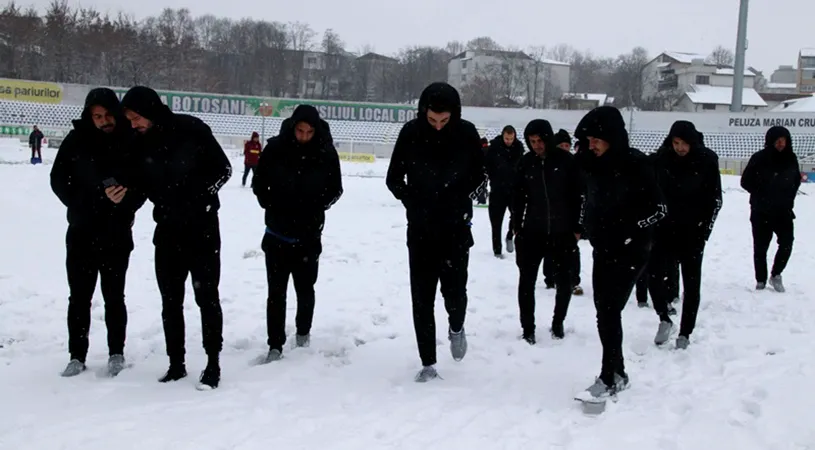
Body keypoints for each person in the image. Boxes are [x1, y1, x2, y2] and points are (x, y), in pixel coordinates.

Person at [121, 86, 232, 390]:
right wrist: (124, 195)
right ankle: (176, 363)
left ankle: (213, 362)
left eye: (136, 118)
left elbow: (224, 169)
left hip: (203, 230)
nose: (134, 124)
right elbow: (139, 184)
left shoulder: (191, 129)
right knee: (170, 302)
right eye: (129, 120)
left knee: (206, 298)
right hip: (167, 232)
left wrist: (200, 198)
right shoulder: (139, 143)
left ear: (151, 110)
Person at [386, 82, 486, 382]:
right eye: (432, 120)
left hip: (455, 228)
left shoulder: (467, 133)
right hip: (421, 230)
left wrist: (458, 197)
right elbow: (393, 178)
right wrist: (412, 200)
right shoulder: (411, 134)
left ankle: (457, 326)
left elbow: (479, 174)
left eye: (444, 121)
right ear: (423, 113)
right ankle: (427, 361)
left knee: (455, 293)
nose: (438, 127)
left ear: (454, 115)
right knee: (422, 297)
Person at [50, 88, 147, 378]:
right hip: (81, 230)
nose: (103, 121)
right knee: (79, 296)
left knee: (114, 295)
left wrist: (126, 199)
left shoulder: (130, 141)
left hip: (116, 232)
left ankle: (116, 352)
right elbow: (58, 179)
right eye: (97, 116)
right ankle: (76, 355)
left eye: (107, 115)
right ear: (88, 116)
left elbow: (143, 183)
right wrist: (86, 200)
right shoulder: (76, 140)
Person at [573, 106, 666, 401]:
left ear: (611, 137)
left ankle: (608, 377)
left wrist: (629, 229)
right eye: (588, 141)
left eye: (596, 140)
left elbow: (659, 209)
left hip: (632, 249)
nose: (592, 146)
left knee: (610, 310)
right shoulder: (591, 162)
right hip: (603, 247)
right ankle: (619, 373)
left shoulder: (636, 164)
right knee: (604, 312)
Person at [252, 105, 343, 363]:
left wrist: (315, 207)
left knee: (305, 289)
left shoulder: (326, 152)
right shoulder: (275, 149)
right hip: (277, 234)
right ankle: (275, 344)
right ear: (293, 127)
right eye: (300, 131)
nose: (304, 136)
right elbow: (259, 184)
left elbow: (336, 189)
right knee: (276, 292)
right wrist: (271, 203)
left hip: (308, 236)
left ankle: (303, 332)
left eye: (309, 132)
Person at [648, 121, 722, 349]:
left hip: (693, 231)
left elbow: (716, 200)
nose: (680, 148)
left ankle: (685, 333)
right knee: (653, 275)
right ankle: (664, 318)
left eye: (684, 143)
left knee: (691, 284)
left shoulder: (707, 160)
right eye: (676, 143)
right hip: (664, 229)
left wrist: (704, 231)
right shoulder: (661, 160)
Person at [511, 120, 583, 344]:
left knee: (564, 282)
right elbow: (518, 197)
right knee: (526, 282)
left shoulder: (566, 162)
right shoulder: (525, 163)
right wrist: (517, 226)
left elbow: (579, 196)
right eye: (532, 142)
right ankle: (528, 327)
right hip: (533, 231)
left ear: (548, 139)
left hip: (562, 232)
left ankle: (558, 322)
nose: (537, 146)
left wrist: (578, 228)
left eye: (540, 141)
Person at [740, 126, 801, 292]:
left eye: (784, 140)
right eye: (778, 140)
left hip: (784, 211)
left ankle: (776, 274)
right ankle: (760, 279)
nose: (781, 144)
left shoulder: (791, 158)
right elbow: (745, 181)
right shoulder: (759, 158)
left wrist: (788, 198)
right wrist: (762, 193)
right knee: (760, 247)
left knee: (787, 243)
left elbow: (796, 181)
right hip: (761, 211)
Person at [544, 128, 585, 296]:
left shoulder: (575, 166)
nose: (564, 148)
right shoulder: (546, 165)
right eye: (561, 145)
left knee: (572, 251)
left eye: (567, 145)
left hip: (569, 216)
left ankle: (574, 280)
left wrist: (578, 225)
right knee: (549, 248)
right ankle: (550, 278)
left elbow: (580, 195)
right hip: (549, 216)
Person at [484, 125, 523, 258]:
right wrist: (493, 177)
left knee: (516, 216)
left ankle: (509, 235)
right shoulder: (494, 147)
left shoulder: (518, 147)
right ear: (502, 136)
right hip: (497, 189)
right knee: (496, 221)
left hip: (513, 189)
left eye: (511, 138)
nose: (509, 141)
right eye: (506, 138)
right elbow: (487, 164)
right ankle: (497, 250)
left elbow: (520, 166)